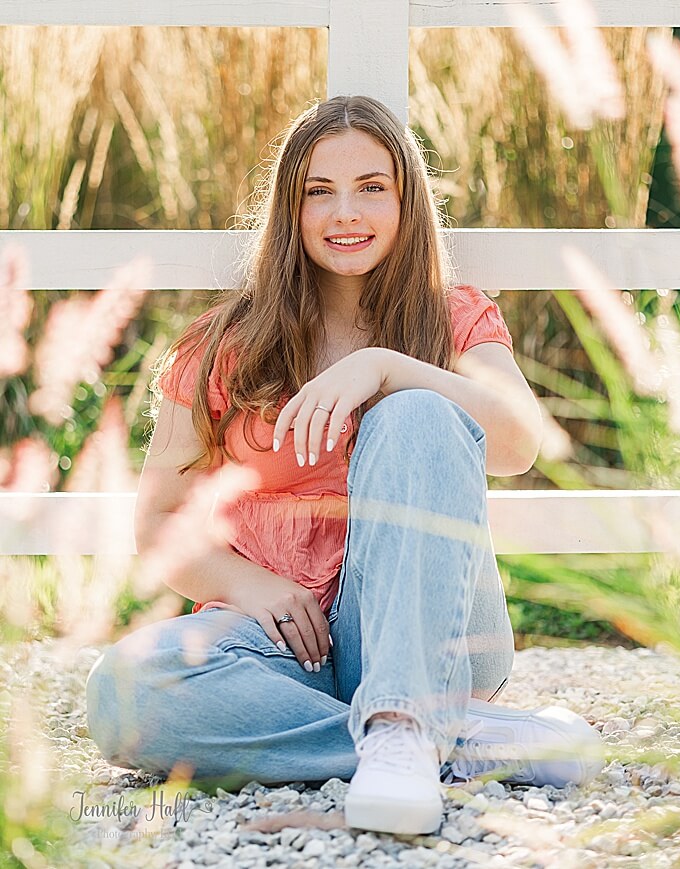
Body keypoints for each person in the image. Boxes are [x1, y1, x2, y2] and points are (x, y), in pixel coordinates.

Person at [84, 95, 604, 836]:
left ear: (406, 200)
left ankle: (408, 717)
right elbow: (161, 517)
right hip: (281, 647)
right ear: (289, 210)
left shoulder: (450, 317)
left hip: (437, 633)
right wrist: (247, 583)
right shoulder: (226, 342)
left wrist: (387, 368)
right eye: (318, 193)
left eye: (371, 187)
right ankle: (445, 738)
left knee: (417, 412)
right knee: (123, 690)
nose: (345, 213)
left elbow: (523, 442)